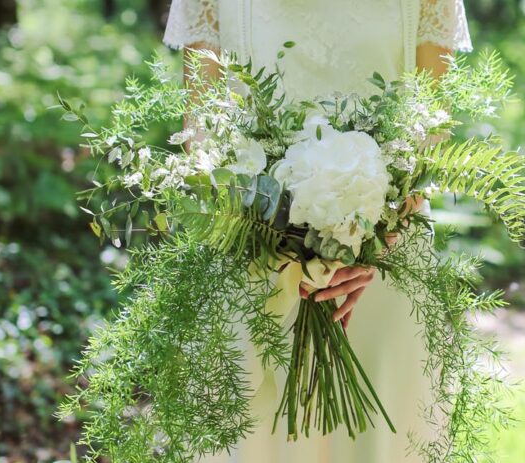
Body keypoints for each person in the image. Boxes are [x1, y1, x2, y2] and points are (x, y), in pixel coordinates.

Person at [163, 1, 472, 461]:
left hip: (387, 269)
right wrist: (275, 239)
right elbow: (202, 133)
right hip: (251, 263)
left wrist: (369, 247)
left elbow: (430, 135)